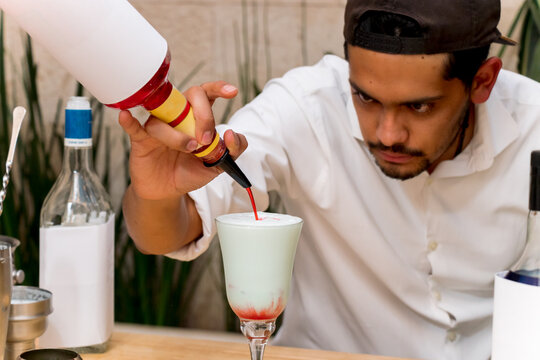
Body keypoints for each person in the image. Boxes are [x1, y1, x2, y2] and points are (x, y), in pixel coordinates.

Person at [118, 0, 540, 359]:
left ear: (481, 81)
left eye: (419, 107)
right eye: (366, 97)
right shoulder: (309, 106)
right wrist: (155, 193)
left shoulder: (533, 128)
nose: (388, 132)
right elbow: (169, 235)